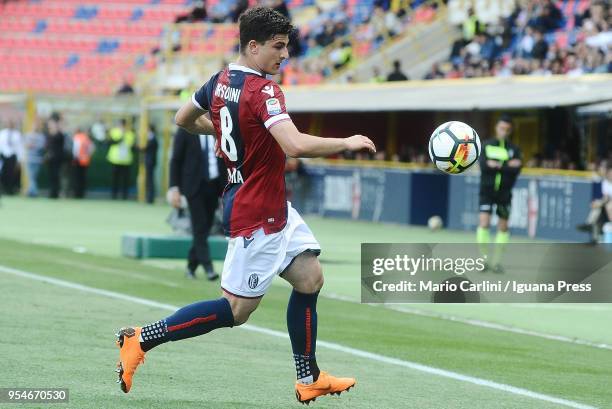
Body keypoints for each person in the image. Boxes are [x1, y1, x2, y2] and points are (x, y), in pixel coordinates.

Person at [115, 6, 375, 404]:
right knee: (235, 310)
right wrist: (347, 142)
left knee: (310, 278)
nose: (285, 55)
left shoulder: (220, 82)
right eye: (278, 47)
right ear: (253, 46)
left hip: (271, 205)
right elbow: (295, 145)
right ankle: (141, 339)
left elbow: (184, 118)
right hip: (259, 212)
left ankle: (309, 377)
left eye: (287, 47)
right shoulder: (264, 90)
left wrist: (222, 129)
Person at [168, 128, 224, 280]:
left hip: (214, 186)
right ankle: (208, 268)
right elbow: (176, 160)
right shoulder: (186, 129)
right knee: (200, 226)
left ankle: (191, 266)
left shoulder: (218, 128)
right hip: (194, 187)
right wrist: (174, 188)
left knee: (205, 228)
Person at [477, 115, 522, 273]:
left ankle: (496, 262)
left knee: (503, 227)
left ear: (511, 131)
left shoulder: (514, 149)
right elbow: (484, 165)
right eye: (502, 128)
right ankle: (484, 260)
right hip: (487, 191)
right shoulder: (487, 145)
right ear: (496, 128)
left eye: (507, 129)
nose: (504, 131)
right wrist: (506, 165)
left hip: (505, 192)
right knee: (484, 223)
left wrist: (496, 165)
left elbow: (516, 169)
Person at [577, 166, 612, 242]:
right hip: (601, 205)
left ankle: (588, 224)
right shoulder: (602, 181)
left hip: (609, 206)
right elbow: (590, 176)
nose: (610, 175)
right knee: (596, 210)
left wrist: (601, 202)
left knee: (604, 204)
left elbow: (607, 198)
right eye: (610, 173)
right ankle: (593, 235)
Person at [107, 119, 135, 200]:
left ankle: (124, 196)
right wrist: (121, 136)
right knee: (115, 179)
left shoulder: (130, 133)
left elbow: (130, 144)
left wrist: (125, 134)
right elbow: (112, 142)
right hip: (115, 160)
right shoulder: (114, 131)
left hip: (126, 160)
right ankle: (114, 195)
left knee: (125, 180)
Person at [44, 117, 66, 199]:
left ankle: (55, 193)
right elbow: (47, 146)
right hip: (50, 158)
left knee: (56, 175)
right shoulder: (48, 134)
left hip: (57, 158)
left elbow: (60, 143)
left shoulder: (60, 134)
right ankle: (52, 192)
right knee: (51, 176)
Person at [24, 119, 46, 197]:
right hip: (30, 158)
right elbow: (26, 145)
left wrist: (33, 145)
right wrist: (32, 145)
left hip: (38, 159)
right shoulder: (28, 135)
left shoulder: (41, 136)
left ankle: (31, 192)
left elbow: (41, 147)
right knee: (31, 176)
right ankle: (34, 192)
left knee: (34, 177)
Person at [0, 120, 23, 195]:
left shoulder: (17, 134)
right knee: (4, 173)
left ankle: (10, 190)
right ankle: (4, 189)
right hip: (3, 156)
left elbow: (19, 147)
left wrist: (19, 159)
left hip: (13, 156)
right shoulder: (2, 133)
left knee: (12, 174)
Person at [71, 128, 95, 199]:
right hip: (85, 161)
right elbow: (92, 149)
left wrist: (75, 157)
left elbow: (75, 149)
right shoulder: (87, 139)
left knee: (76, 178)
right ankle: (82, 193)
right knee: (83, 178)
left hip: (77, 160)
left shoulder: (77, 137)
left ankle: (76, 194)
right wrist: (87, 156)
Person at [144, 124, 159, 204]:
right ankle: (149, 197)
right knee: (149, 180)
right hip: (150, 162)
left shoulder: (153, 139)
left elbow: (146, 148)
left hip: (150, 162)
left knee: (150, 180)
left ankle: (150, 198)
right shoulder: (152, 138)